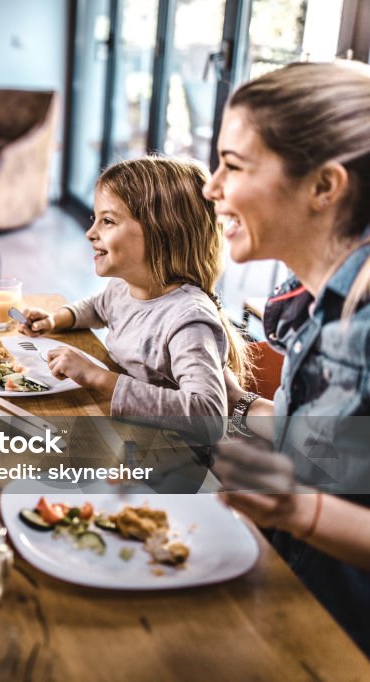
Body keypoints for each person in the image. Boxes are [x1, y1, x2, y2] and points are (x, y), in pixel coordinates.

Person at [202, 61, 370, 654]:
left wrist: (299, 510)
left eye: (234, 165)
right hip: (290, 596)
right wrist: (239, 402)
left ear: (324, 187)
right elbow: (339, 455)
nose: (210, 186)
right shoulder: (316, 303)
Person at [19, 156, 249, 436]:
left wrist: (99, 378)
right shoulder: (123, 288)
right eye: (95, 219)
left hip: (175, 453)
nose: (91, 233)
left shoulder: (188, 321)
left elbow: (208, 417)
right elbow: (99, 307)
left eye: (107, 221)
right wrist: (57, 319)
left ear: (162, 233)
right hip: (131, 433)